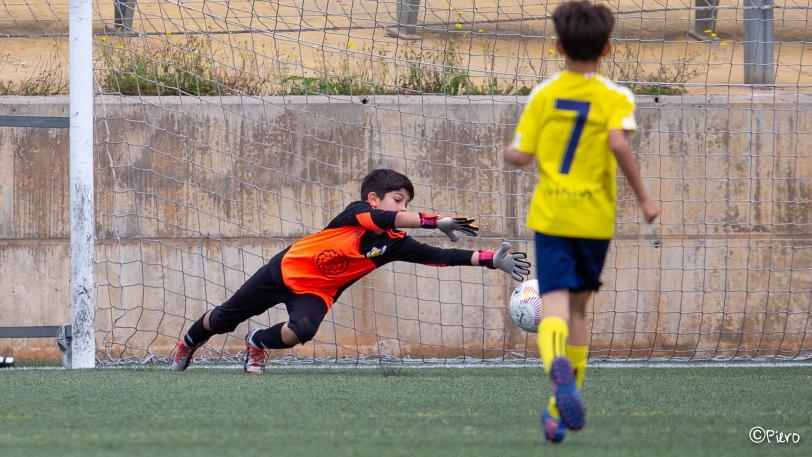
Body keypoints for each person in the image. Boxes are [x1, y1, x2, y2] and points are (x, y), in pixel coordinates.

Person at [170, 168, 531, 373]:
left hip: (316, 293)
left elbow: (438, 256)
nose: (403, 207)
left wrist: (489, 259)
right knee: (223, 319)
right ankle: (187, 344)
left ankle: (257, 344)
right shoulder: (356, 213)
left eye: (408, 203)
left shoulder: (394, 243)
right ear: (374, 199)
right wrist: (435, 220)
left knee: (303, 330)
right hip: (282, 272)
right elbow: (383, 218)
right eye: (399, 200)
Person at [503, 1, 661, 443]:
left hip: (552, 215)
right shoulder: (616, 97)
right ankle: (558, 408)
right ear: (608, 48)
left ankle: (557, 381)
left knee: (551, 302)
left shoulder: (544, 95)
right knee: (578, 312)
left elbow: (521, 156)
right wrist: (646, 198)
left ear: (557, 46)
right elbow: (618, 144)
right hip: (594, 220)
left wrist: (509, 154)